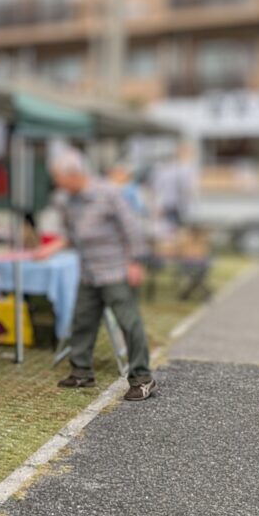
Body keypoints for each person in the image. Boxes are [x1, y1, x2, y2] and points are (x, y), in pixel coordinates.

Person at [36, 146, 156, 401]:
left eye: (58, 177)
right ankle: (81, 372)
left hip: (115, 271)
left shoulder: (108, 193)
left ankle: (143, 379)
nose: (56, 182)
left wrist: (136, 262)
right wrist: (52, 247)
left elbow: (133, 228)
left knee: (129, 323)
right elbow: (71, 234)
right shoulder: (66, 200)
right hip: (89, 272)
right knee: (82, 320)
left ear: (74, 175)